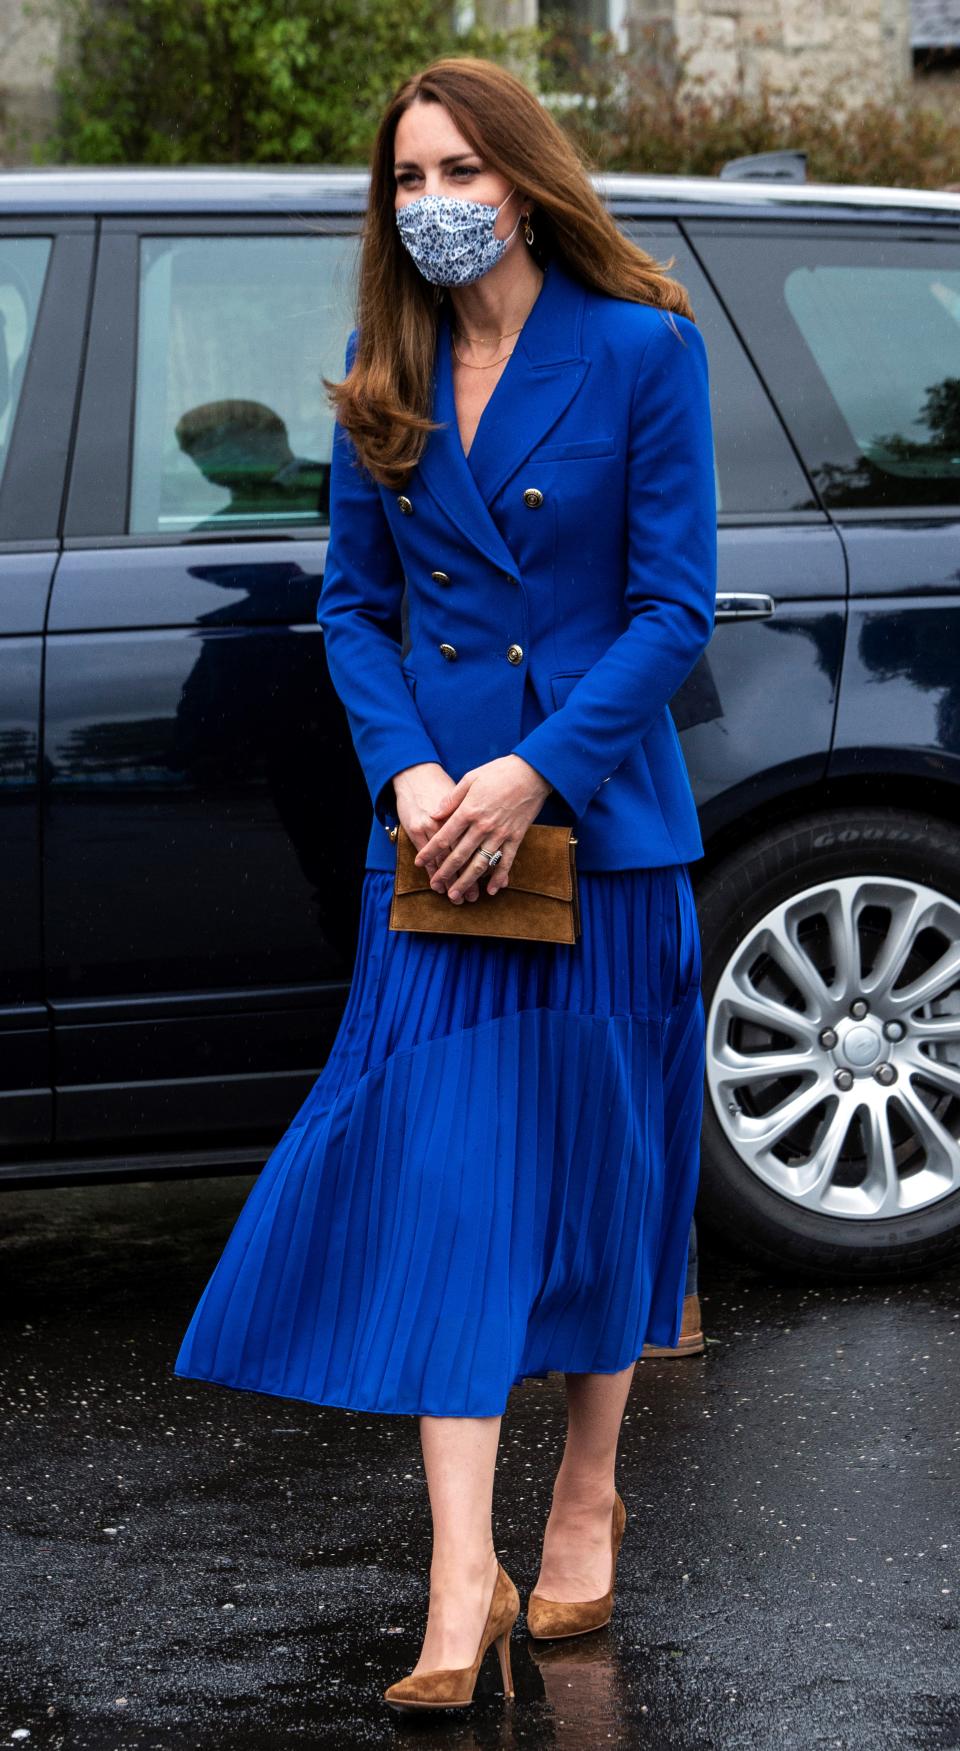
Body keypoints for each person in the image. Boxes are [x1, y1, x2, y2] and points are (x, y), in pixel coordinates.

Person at [172, 53, 717, 1715]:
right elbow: (351, 607)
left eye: (461, 173)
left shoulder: (643, 351)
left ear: (526, 182)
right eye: (407, 181)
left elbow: (673, 608)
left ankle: (585, 1499)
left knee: (602, 1184)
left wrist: (534, 763)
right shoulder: (378, 364)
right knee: (448, 1196)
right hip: (434, 861)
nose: (434, 208)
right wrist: (413, 772)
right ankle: (457, 1573)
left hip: (596, 840)